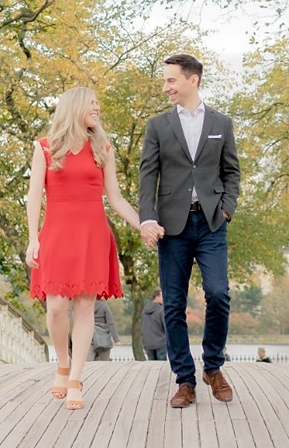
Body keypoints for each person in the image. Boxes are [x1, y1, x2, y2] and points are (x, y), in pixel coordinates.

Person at [26, 87, 145, 410]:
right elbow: (34, 196)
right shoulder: (45, 148)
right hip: (56, 234)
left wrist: (143, 224)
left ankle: (76, 378)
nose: (97, 108)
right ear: (75, 107)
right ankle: (62, 363)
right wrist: (32, 237)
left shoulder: (103, 149)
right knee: (55, 307)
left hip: (92, 234)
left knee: (84, 308)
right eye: (92, 104)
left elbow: (116, 199)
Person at [138, 53, 240, 408]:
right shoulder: (158, 126)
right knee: (174, 305)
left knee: (218, 294)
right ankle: (185, 380)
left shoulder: (221, 124)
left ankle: (213, 367)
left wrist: (227, 207)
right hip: (172, 226)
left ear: (191, 80)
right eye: (165, 81)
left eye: (171, 80)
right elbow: (147, 176)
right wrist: (147, 219)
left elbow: (232, 172)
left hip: (212, 222)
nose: (166, 86)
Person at [139, 290, 167, 361]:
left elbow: (143, 328)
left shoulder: (144, 311)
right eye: (162, 296)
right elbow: (166, 326)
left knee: (151, 366)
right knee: (161, 366)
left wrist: (144, 344)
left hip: (148, 343)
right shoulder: (161, 310)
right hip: (161, 343)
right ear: (157, 297)